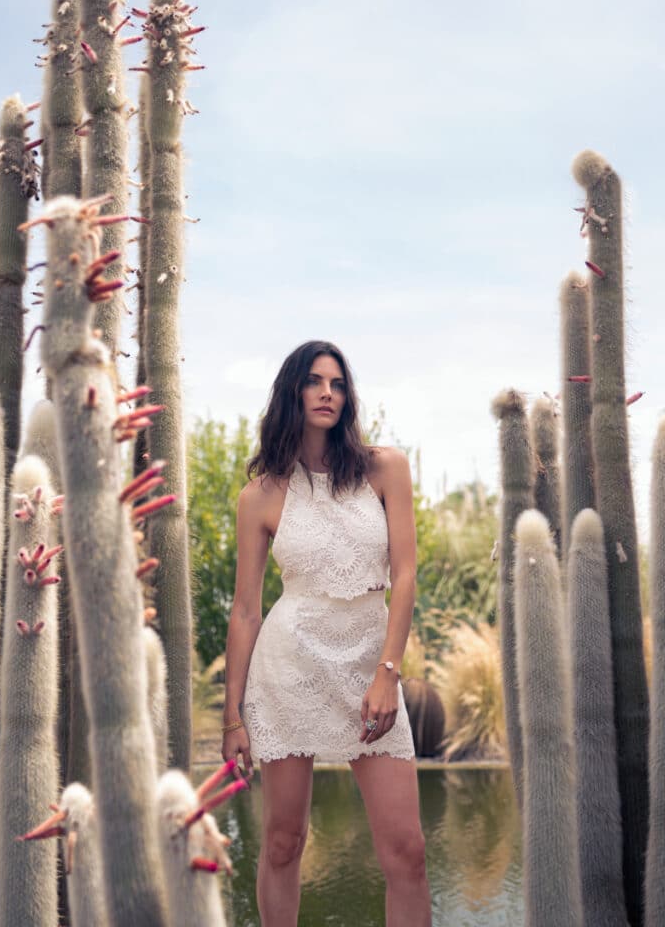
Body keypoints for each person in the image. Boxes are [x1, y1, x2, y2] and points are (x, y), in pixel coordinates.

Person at [222, 340, 432, 927]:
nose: (327, 393)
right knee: (285, 841)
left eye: (337, 384)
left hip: (371, 664)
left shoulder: (384, 468)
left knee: (407, 852)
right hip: (289, 668)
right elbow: (245, 609)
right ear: (292, 393)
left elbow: (406, 573)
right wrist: (231, 716)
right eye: (314, 382)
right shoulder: (259, 496)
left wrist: (388, 672)